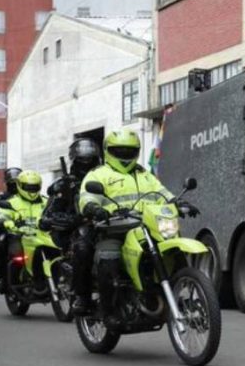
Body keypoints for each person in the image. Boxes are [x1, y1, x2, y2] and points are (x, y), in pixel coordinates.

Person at [78, 128, 199, 323]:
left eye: (129, 151)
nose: (125, 155)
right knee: (109, 259)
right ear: (108, 151)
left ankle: (187, 299)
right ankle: (109, 312)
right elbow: (87, 197)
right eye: (120, 151)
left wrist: (179, 203)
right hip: (113, 230)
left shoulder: (144, 175)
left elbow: (162, 193)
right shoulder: (98, 174)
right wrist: (94, 208)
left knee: (173, 252)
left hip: (146, 227)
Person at [39, 138, 102, 314]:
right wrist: (71, 220)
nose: (87, 164)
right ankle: (82, 296)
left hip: (108, 224)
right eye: (82, 160)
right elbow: (49, 214)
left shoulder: (107, 178)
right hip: (77, 230)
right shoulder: (65, 185)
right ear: (74, 160)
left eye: (91, 159)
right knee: (82, 247)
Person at [0, 170, 46, 277]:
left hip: (43, 236)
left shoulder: (47, 201)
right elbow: (2, 215)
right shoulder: (11, 202)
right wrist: (6, 222)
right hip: (19, 236)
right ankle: (9, 280)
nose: (31, 190)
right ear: (19, 185)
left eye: (35, 187)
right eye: (28, 187)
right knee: (14, 254)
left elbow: (57, 213)